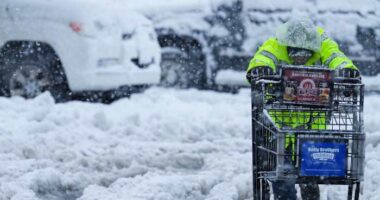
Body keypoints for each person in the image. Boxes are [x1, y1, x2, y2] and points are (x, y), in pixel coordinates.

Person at [246, 18, 361, 200]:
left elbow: (336, 57)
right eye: (294, 53)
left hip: (311, 127)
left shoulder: (323, 43)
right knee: (283, 181)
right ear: (287, 46)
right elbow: (264, 56)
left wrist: (346, 70)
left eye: (305, 53)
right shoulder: (276, 44)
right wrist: (259, 68)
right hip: (279, 128)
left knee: (311, 177)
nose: (300, 58)